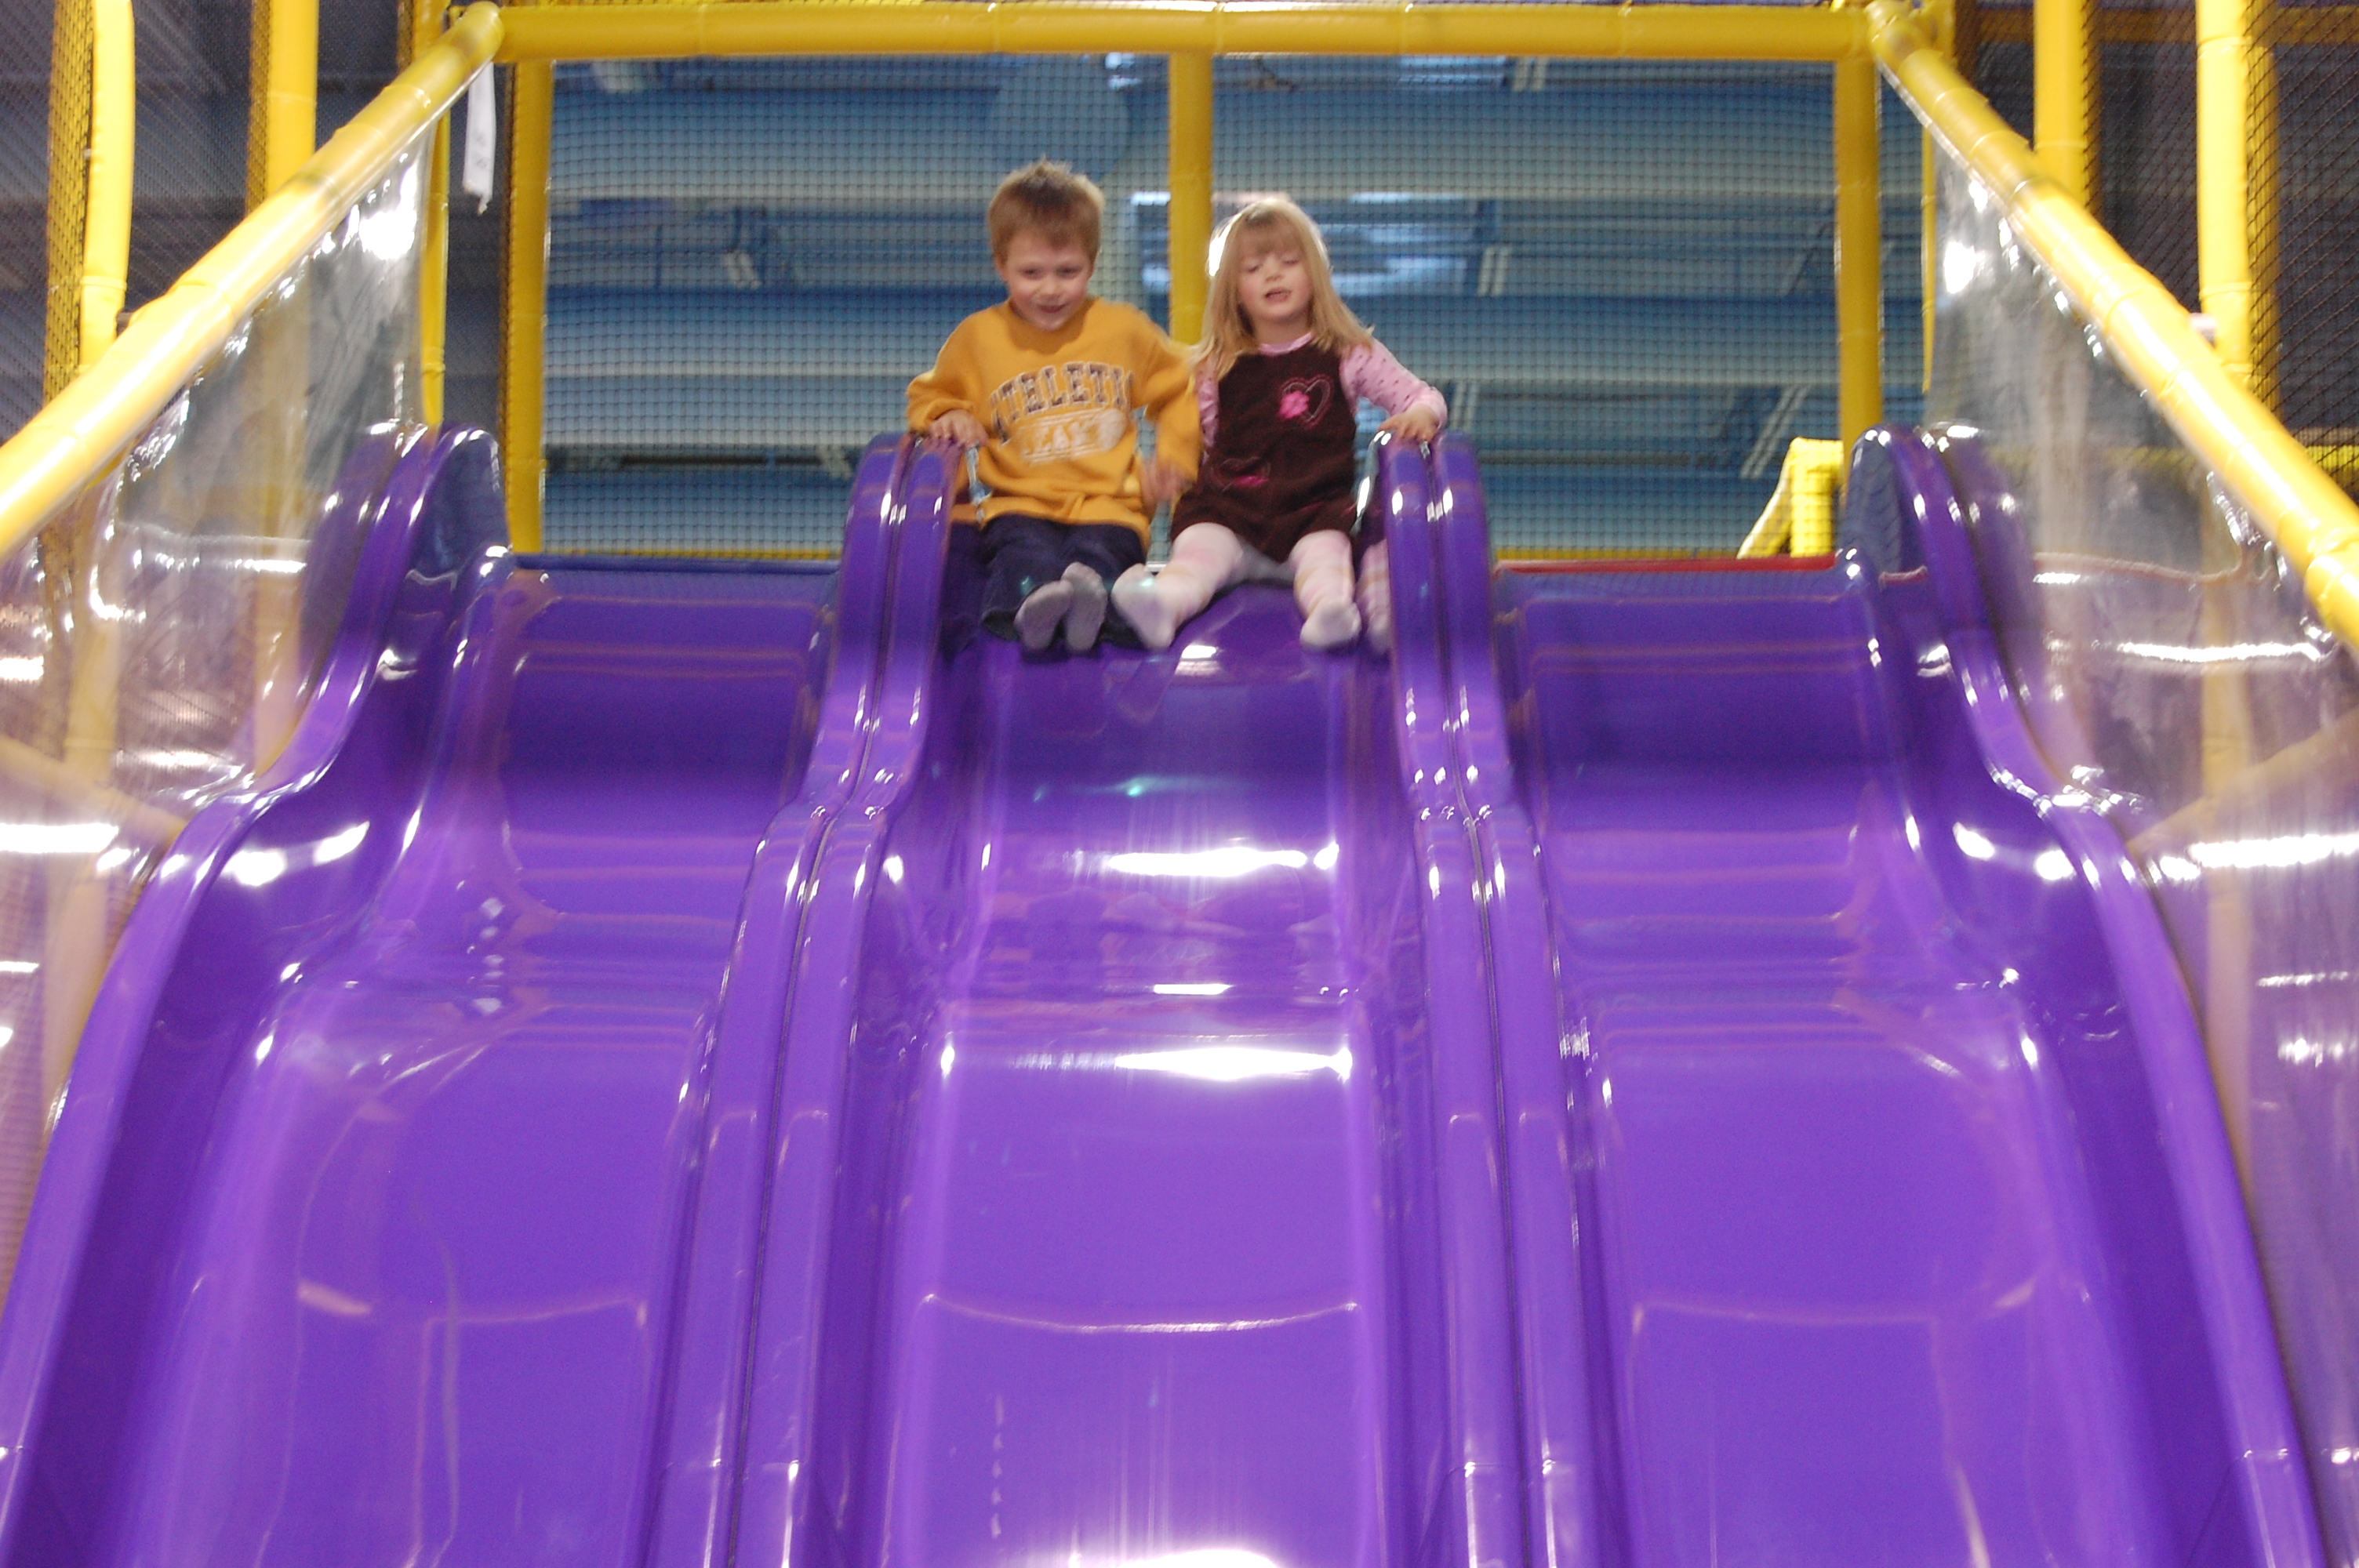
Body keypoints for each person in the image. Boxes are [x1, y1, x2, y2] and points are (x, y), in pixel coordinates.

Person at [1112, 197, 1445, 652]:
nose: (1273, 274)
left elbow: (1421, 395)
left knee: (1326, 561)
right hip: (1228, 515)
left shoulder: (1348, 352)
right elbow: (1193, 441)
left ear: (1315, 274)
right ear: (1234, 291)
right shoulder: (1215, 367)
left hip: (1312, 515)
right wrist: (1171, 473)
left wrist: (1422, 414)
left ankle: (1330, 611)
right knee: (1195, 560)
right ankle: (1163, 607)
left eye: (1289, 262)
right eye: (1253, 268)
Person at [907, 162, 1199, 652]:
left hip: (1110, 504)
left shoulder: (1123, 330)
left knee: (1104, 558)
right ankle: (1037, 610)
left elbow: (1178, 388)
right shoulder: (978, 339)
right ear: (1001, 265)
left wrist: (1174, 458)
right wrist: (948, 414)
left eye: (1068, 272)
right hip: (1020, 503)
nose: (1050, 289)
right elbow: (930, 395)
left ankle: (1087, 612)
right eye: (1031, 273)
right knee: (1023, 559)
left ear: (1093, 262)